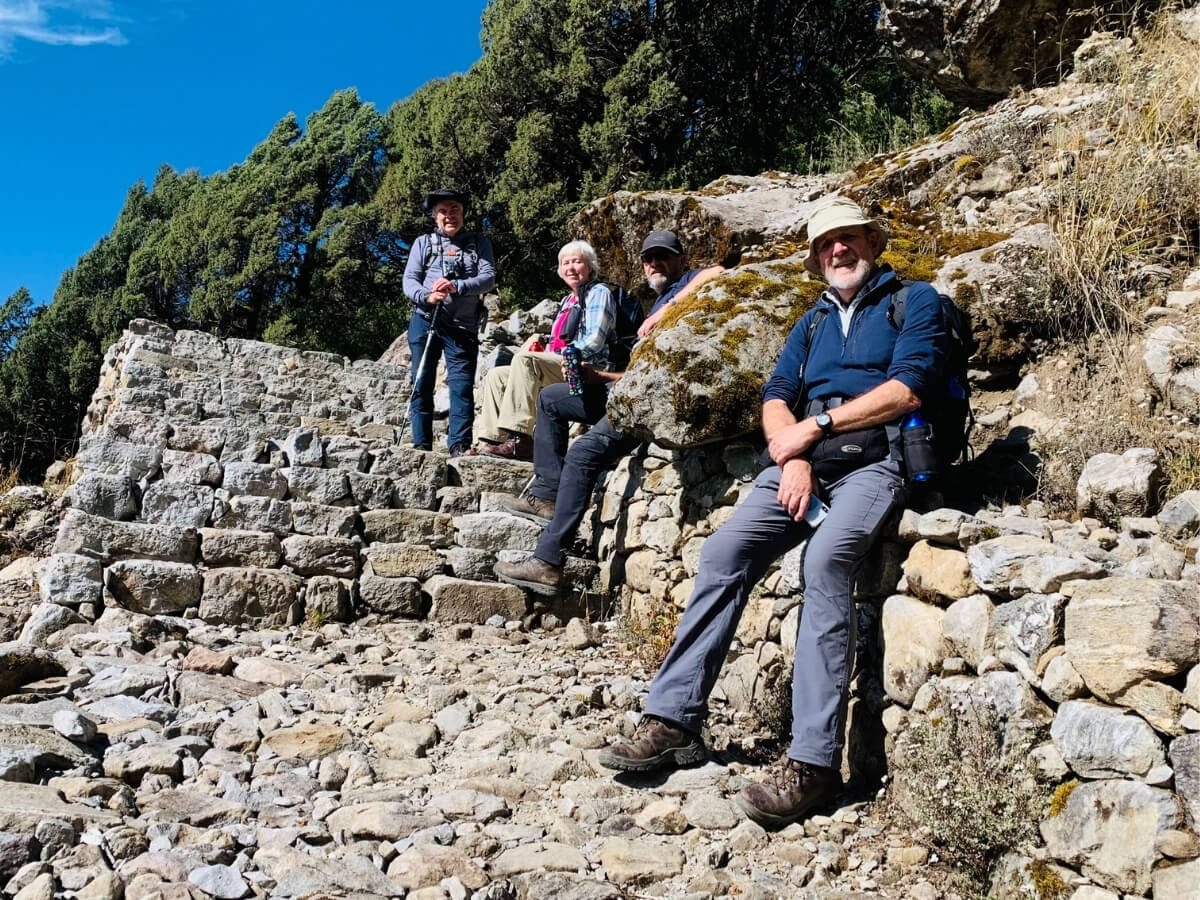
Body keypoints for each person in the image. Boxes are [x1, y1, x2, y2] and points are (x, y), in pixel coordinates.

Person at [591, 197, 948, 829]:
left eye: (850, 239)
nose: (839, 250)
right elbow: (776, 398)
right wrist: (795, 457)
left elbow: (908, 387)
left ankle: (812, 764)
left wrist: (815, 430)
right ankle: (673, 719)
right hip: (803, 462)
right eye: (826, 244)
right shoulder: (809, 323)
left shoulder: (912, 302)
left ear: (872, 242)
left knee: (829, 557)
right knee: (724, 551)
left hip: (876, 460)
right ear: (815, 258)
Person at [494, 230, 725, 592]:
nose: (655, 264)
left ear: (682, 259)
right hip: (623, 390)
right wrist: (600, 376)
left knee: (583, 452)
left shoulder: (688, 285)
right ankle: (548, 494)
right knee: (551, 398)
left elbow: (717, 273)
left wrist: (667, 307)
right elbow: (634, 374)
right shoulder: (652, 302)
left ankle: (548, 561)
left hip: (647, 405)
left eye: (663, 256)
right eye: (649, 258)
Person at [476, 241, 618, 461]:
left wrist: (557, 356)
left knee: (525, 361)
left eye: (577, 262)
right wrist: (545, 351)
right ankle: (493, 440)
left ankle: (521, 441)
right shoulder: (567, 301)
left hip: (587, 366)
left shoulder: (598, 293)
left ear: (590, 266)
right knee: (497, 375)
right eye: (565, 263)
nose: (570, 268)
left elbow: (595, 341)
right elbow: (556, 343)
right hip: (560, 364)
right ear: (560, 271)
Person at [402, 188, 497, 456]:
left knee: (462, 387)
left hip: (463, 326)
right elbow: (409, 280)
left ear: (463, 212)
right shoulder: (423, 243)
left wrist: (457, 286)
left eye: (454, 209)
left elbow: (488, 277)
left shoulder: (480, 243)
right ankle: (421, 444)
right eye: (443, 211)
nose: (449, 215)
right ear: (434, 216)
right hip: (426, 320)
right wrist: (427, 295)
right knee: (421, 383)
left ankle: (459, 445)